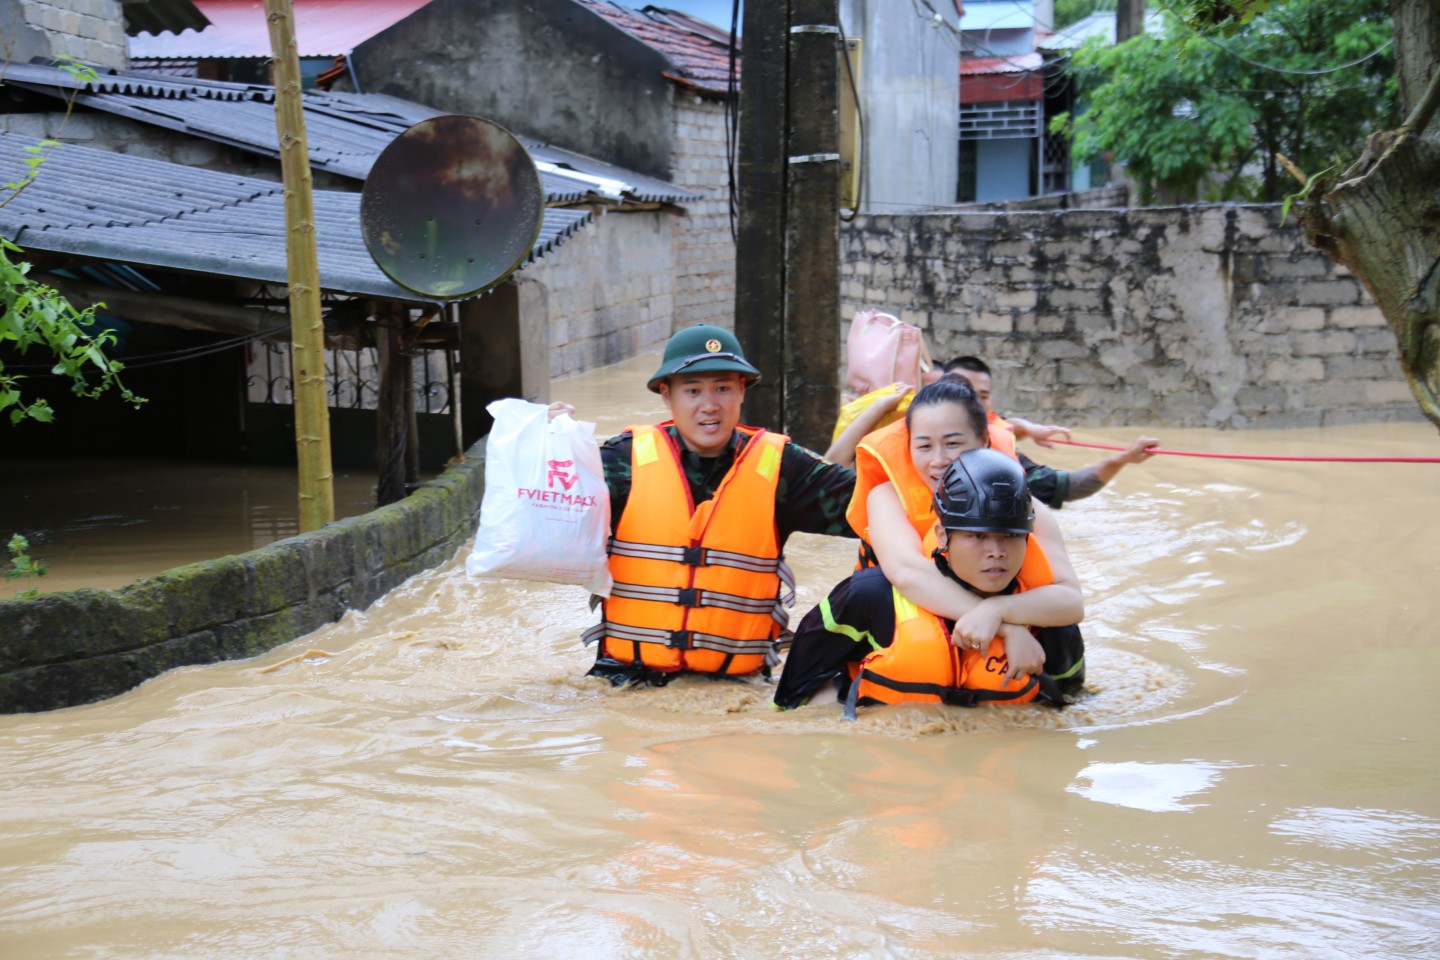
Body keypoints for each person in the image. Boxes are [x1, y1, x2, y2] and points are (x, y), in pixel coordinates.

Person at [549, 324, 858, 686]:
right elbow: (547, 522)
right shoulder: (623, 460)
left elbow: (874, 506)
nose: (709, 405)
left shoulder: (782, 468)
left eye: (723, 388)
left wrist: (919, 444)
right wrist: (549, 443)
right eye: (693, 391)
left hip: (735, 687)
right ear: (667, 395)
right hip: (626, 681)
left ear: (742, 391)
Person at [774, 448, 1083, 714]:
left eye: (1010, 536)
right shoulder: (868, 598)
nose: (996, 552)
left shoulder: (1049, 624)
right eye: (977, 535)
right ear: (942, 536)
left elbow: (1069, 710)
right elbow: (791, 699)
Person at [826, 378, 1084, 685]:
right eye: (924, 446)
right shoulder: (887, 497)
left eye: (953, 444)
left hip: (991, 630)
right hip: (911, 634)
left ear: (984, 442)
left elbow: (1071, 600)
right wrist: (1005, 626)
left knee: (1060, 630)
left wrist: (1000, 609)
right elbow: (907, 573)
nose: (938, 461)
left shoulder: (1025, 504)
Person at [943, 356, 1160, 509]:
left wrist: (1122, 458)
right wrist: (1027, 429)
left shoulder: (1002, 458)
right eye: (963, 391)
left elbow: (1068, 487)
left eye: (983, 396)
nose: (974, 402)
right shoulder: (915, 437)